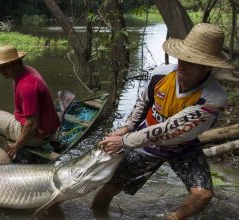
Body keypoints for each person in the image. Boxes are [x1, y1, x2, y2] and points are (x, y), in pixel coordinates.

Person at [91, 23, 234, 220]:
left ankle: (173, 218)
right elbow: (143, 103)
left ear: (207, 66)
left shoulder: (213, 98)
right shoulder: (162, 73)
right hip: (144, 144)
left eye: (191, 61)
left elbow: (172, 129)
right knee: (109, 189)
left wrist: (124, 141)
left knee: (203, 195)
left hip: (183, 147)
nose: (182, 64)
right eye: (182, 58)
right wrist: (126, 128)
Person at [0, 45, 60, 159]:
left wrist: (17, 146)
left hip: (37, 137)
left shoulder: (26, 87)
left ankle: (23, 140)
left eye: (4, 67)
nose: (1, 71)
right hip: (50, 130)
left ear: (15, 63)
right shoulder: (28, 70)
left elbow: (32, 124)